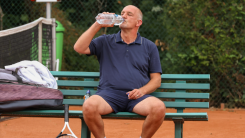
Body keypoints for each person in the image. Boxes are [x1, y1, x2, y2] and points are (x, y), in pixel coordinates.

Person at [74, 5, 166, 138]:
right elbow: (79, 48)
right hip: (108, 95)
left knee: (159, 108)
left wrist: (141, 91)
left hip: (137, 98)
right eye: (122, 13)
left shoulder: (149, 46)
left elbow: (156, 80)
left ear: (138, 22)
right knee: (89, 105)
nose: (123, 16)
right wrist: (98, 24)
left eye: (129, 14)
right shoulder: (105, 40)